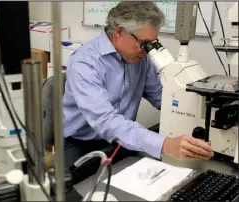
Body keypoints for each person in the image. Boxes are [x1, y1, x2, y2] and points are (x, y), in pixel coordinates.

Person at [62, 1, 214, 169]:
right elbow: (106, 121)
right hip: (80, 145)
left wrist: (201, 116)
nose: (148, 51)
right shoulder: (85, 62)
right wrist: (165, 144)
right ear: (120, 32)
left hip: (121, 140)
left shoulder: (140, 58)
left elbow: (161, 97)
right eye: (144, 44)